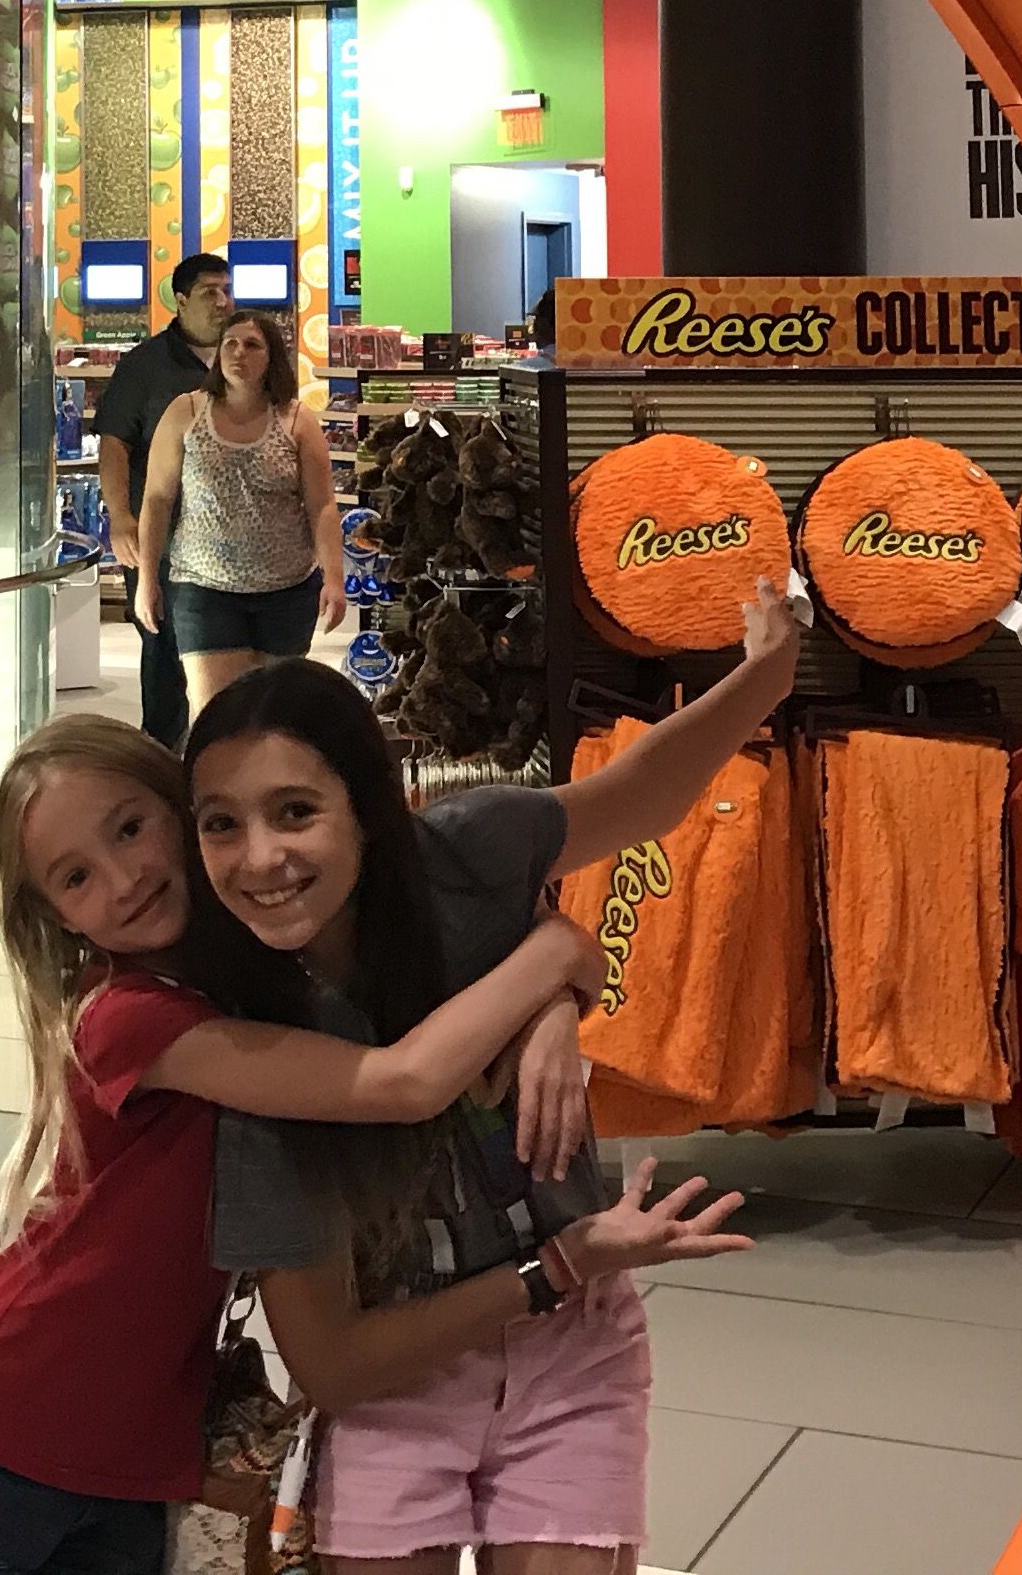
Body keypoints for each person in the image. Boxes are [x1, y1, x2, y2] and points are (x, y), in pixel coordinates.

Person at [0, 717, 754, 1575]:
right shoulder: (130, 1016)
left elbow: (503, 926)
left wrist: (556, 985)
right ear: (56, 916)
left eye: (130, 828)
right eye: (77, 877)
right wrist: (556, 959)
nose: (123, 879)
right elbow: (404, 1081)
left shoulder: (247, 976)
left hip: (136, 1450)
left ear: (183, 809)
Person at [180, 583, 805, 1575]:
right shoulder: (244, 1042)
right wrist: (556, 968)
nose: (261, 858)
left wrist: (766, 673)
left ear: (368, 812)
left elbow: (644, 793)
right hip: (398, 1378)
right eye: (221, 824)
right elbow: (335, 1361)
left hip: (572, 1359)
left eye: (295, 811)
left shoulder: (462, 860)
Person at [137, 306, 340, 713]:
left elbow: (322, 506)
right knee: (213, 711)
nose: (238, 353)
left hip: (287, 591)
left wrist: (334, 578)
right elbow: (157, 499)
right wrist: (146, 578)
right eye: (229, 343)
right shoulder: (185, 412)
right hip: (204, 587)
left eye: (252, 345)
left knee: (275, 713)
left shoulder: (297, 421)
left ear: (272, 357)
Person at [93, 254, 230, 747]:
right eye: (209, 292)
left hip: (232, 545)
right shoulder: (144, 366)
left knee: (225, 655)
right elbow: (114, 445)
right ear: (181, 300)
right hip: (162, 540)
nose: (223, 301)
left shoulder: (245, 359)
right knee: (163, 650)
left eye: (226, 290)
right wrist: (120, 518)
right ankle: (161, 756)